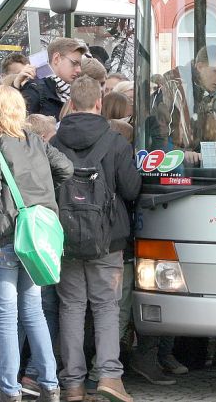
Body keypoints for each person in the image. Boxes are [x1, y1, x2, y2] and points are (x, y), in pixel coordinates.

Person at [0, 85, 73, 402]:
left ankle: (11, 389)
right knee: (34, 313)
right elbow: (66, 169)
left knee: (4, 314)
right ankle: (50, 385)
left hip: (3, 235)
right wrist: (41, 196)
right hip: (35, 237)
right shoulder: (36, 141)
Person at [51, 77, 141, 402]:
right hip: (107, 240)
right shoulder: (116, 142)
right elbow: (131, 190)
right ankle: (109, 377)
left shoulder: (54, 143)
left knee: (72, 307)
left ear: (71, 104)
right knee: (106, 307)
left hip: (66, 239)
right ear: (99, 103)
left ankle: (72, 385)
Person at [147, 46, 216, 166]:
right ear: (200, 67)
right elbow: (158, 139)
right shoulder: (173, 89)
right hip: (178, 170)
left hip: (207, 167)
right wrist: (181, 153)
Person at [20, 38, 89, 119]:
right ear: (56, 58)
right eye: (74, 63)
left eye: (80, 65)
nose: (79, 70)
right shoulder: (35, 90)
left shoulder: (75, 92)